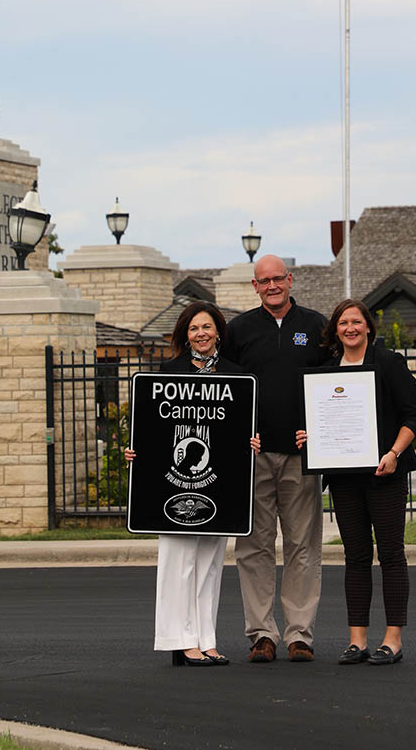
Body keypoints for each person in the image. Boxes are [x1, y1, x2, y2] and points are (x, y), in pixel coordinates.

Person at [126, 300, 259, 668]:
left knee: (211, 563)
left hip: (218, 486)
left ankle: (205, 639)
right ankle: (179, 639)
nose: (201, 334)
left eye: (207, 327)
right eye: (194, 329)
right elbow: (151, 427)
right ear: (185, 336)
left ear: (218, 332)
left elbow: (240, 428)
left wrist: (252, 442)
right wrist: (136, 449)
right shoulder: (167, 372)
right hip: (173, 485)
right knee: (178, 561)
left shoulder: (237, 375)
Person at [297, 298, 416, 666]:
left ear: (368, 326)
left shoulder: (388, 363)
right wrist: (311, 439)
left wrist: (394, 454)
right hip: (343, 478)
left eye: (356, 321)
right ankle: (357, 641)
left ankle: (393, 639)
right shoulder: (326, 372)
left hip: (385, 473)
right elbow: (321, 421)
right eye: (343, 323)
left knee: (390, 555)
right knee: (355, 557)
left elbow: (413, 417)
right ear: (335, 330)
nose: (350, 328)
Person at [224, 254, 327, 663]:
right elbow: (224, 388)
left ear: (290, 279)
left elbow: (335, 386)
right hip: (254, 457)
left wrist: (320, 433)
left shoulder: (316, 326)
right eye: (263, 281)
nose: (271, 286)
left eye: (278, 279)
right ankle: (262, 634)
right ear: (255, 286)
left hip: (302, 457)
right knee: (254, 547)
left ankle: (299, 634)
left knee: (303, 546)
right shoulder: (239, 330)